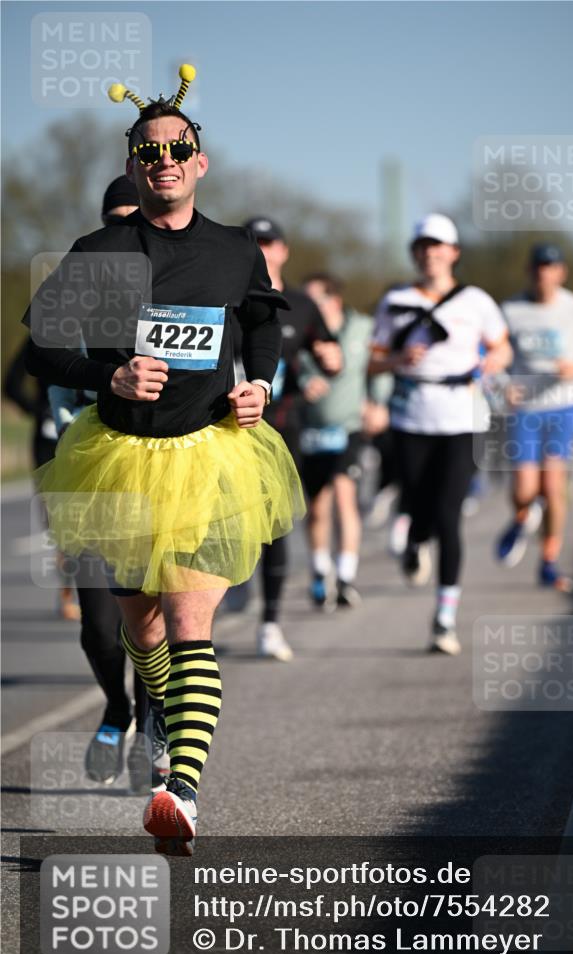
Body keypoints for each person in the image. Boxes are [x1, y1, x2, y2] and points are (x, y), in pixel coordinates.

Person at [25, 66, 303, 855]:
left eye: (178, 148)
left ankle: (180, 790)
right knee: (137, 628)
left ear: (199, 161)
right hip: (117, 457)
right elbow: (41, 346)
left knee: (189, 623)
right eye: (150, 153)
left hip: (209, 455)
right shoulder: (101, 249)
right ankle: (153, 711)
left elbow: (262, 325)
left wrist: (260, 383)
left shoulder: (233, 249)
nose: (165, 161)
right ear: (134, 162)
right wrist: (103, 373)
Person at [46, 175, 160, 792]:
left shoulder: (170, 298)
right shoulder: (76, 294)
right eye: (113, 221)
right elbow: (46, 379)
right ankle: (116, 708)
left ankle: (149, 722)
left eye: (132, 221)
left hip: (160, 479)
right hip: (90, 480)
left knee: (150, 618)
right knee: (97, 625)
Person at [369, 214, 511, 654]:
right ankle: (414, 540)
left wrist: (494, 361)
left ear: (454, 252)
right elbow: (372, 360)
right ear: (415, 253)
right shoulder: (396, 300)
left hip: (462, 417)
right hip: (412, 416)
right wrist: (397, 360)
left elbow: (503, 345)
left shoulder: (476, 301)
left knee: (449, 515)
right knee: (416, 500)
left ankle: (444, 618)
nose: (431, 253)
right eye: (423, 246)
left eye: (439, 246)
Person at [243, 218, 342, 658]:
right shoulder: (223, 296)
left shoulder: (302, 303)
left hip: (282, 427)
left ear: (284, 250)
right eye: (253, 243)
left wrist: (328, 363)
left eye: (269, 242)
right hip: (222, 428)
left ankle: (270, 623)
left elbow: (330, 354)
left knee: (275, 523)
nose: (262, 250)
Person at [497, 243, 573, 591]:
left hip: (563, 405)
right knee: (525, 487)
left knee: (552, 485)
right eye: (539, 267)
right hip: (525, 408)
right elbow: (493, 357)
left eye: (552, 267)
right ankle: (522, 517)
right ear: (530, 271)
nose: (545, 273)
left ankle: (548, 561)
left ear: (562, 272)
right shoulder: (510, 310)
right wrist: (502, 385)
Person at [300, 273, 375, 608]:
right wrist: (303, 382)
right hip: (313, 427)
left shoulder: (363, 327)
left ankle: (346, 577)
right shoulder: (301, 329)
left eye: (313, 300)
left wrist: (378, 402)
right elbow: (284, 363)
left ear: (334, 301)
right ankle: (320, 572)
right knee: (317, 506)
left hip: (349, 426)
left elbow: (376, 366)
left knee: (346, 496)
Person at [3, 340, 79, 621]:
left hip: (72, 436)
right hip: (57, 438)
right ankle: (69, 593)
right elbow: (11, 383)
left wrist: (39, 411)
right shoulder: (43, 337)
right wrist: (39, 410)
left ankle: (74, 594)